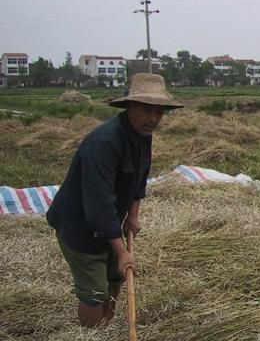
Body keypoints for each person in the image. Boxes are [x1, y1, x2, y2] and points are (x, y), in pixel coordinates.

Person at [46, 73, 183, 327]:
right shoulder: (104, 143)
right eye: (146, 110)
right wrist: (122, 251)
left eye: (159, 112)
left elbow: (139, 178)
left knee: (116, 278)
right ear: (130, 106)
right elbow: (98, 204)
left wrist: (132, 216)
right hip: (79, 224)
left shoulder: (142, 135)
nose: (153, 118)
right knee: (95, 292)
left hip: (109, 220)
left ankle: (105, 326)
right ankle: (91, 333)